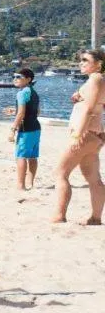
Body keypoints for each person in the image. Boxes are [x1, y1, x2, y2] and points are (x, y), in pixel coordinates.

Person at [52, 49, 105, 225]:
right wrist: (80, 97)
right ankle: (96, 218)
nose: (80, 63)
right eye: (80, 60)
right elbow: (97, 106)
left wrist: (77, 135)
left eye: (85, 60)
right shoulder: (97, 80)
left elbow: (90, 110)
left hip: (86, 135)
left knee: (60, 173)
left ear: (98, 63)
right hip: (94, 135)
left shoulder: (96, 79)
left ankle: (59, 216)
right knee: (93, 178)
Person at [4, 69, 41, 191]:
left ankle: (21, 186)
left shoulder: (21, 93)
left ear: (28, 79)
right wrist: (14, 111)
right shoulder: (33, 92)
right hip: (36, 128)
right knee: (32, 157)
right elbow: (36, 112)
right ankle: (30, 184)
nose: (15, 79)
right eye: (13, 76)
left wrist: (12, 129)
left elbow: (21, 114)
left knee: (21, 156)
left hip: (26, 129)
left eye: (19, 77)